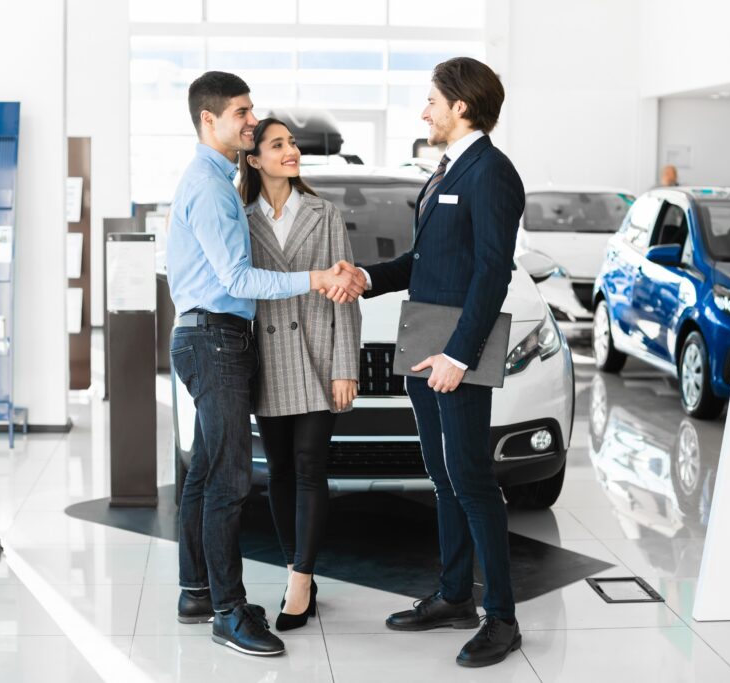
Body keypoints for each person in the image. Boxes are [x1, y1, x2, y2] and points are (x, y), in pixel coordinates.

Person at [331, 57, 525, 668]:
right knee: (443, 477)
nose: (425, 112)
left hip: (453, 350)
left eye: (432, 102)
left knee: (471, 480)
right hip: (424, 341)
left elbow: (493, 270)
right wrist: (367, 276)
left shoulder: (491, 172)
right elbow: (427, 259)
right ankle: (453, 597)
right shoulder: (448, 170)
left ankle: (501, 617)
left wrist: (461, 356)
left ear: (460, 106)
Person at [167, 71, 366, 657]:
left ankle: (197, 590)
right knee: (229, 479)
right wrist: (315, 278)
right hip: (216, 337)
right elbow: (235, 278)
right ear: (210, 120)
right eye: (242, 113)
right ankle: (228, 611)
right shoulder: (211, 187)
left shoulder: (215, 182)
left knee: (206, 473)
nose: (251, 122)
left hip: (213, 334)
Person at [238, 118, 362, 632]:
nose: (291, 151)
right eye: (278, 144)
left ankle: (301, 581)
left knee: (310, 467)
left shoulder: (324, 212)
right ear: (255, 160)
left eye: (291, 143)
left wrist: (344, 366)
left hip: (315, 357)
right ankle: (297, 573)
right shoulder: (242, 218)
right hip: (269, 361)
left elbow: (346, 294)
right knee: (280, 473)